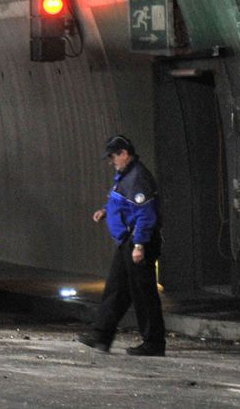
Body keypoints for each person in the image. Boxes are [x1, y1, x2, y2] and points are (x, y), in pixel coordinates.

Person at [77, 134, 166, 356]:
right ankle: (101, 336)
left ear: (124, 154)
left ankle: (154, 343)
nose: (111, 162)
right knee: (116, 289)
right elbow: (123, 204)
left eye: (113, 157)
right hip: (127, 242)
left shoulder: (137, 178)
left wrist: (139, 245)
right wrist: (106, 212)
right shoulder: (125, 175)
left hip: (137, 241)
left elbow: (146, 214)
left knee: (144, 294)